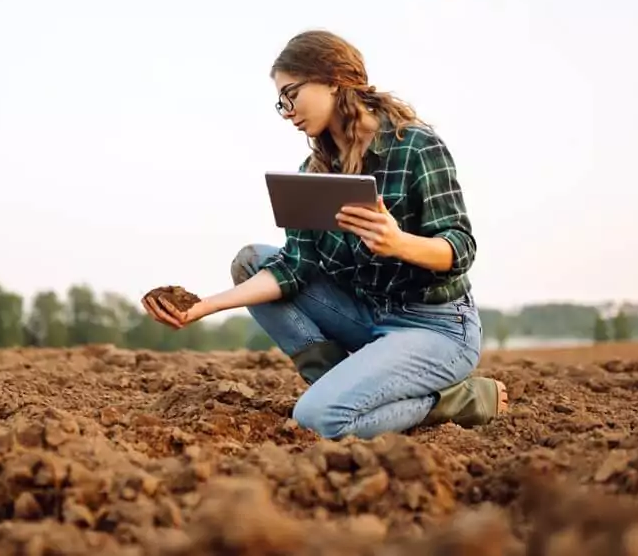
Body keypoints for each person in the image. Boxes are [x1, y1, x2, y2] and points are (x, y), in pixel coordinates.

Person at [142, 30, 507, 440]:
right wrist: (203, 307)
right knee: (251, 261)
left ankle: (452, 401)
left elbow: (460, 247)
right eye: (280, 102)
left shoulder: (415, 146)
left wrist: (398, 242)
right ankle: (344, 385)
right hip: (367, 315)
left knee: (319, 419)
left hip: (436, 327)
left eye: (291, 93)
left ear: (333, 78)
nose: (287, 111)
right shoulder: (313, 171)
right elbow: (292, 271)